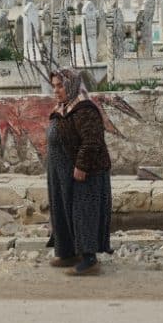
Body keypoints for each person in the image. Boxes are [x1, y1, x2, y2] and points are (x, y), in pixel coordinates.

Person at [46, 68, 112, 275]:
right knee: (62, 210)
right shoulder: (64, 107)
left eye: (61, 85)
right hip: (61, 173)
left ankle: (89, 259)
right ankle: (67, 253)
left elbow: (92, 141)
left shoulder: (84, 109)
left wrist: (82, 166)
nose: (56, 90)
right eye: (54, 86)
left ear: (72, 85)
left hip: (84, 173)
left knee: (83, 213)